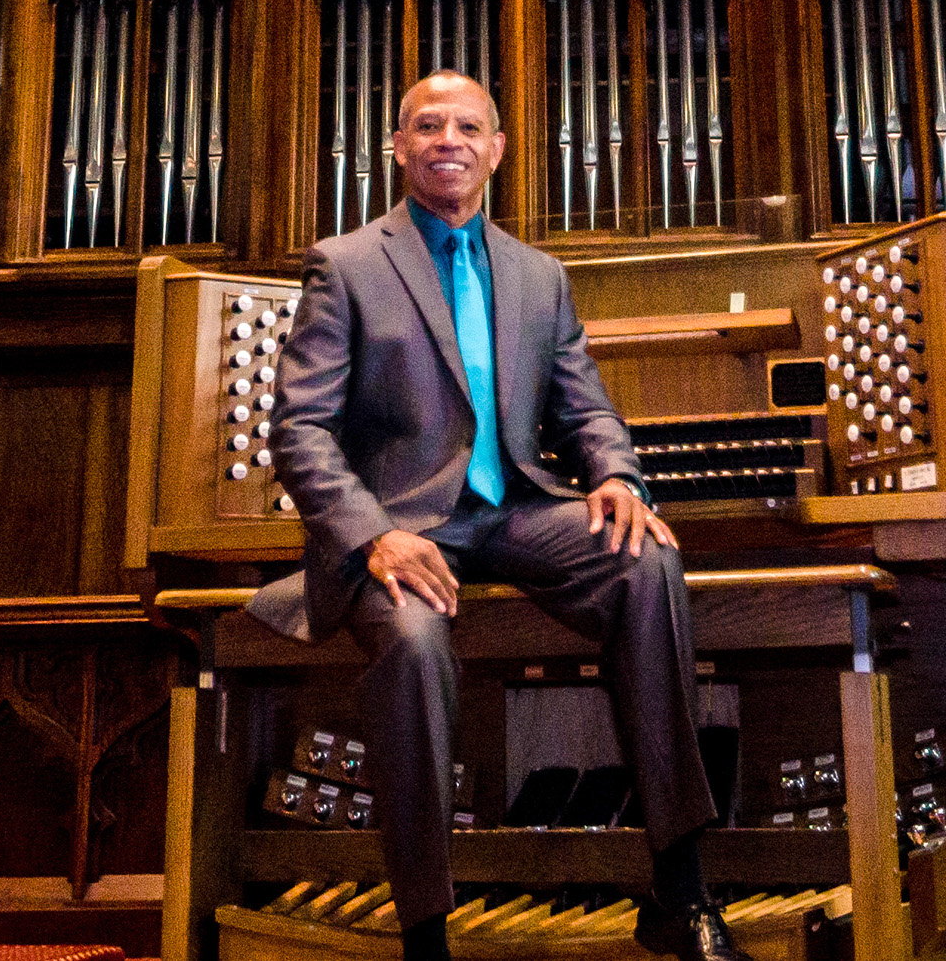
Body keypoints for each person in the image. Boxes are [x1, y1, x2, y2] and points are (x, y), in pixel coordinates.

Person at [254, 71, 755, 961]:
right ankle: (427, 933)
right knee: (412, 644)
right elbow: (299, 429)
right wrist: (373, 536)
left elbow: (585, 408)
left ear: (498, 150)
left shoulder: (539, 275)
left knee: (646, 565)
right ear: (399, 148)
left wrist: (615, 475)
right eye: (427, 125)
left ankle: (679, 888)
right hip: (399, 528)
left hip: (514, 513)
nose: (448, 138)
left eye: (468, 126)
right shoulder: (348, 264)